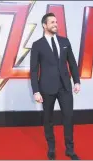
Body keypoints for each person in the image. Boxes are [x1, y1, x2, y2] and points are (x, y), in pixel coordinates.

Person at [30, 13, 81, 160]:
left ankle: (70, 150)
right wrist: (36, 91)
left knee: (69, 118)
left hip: (65, 86)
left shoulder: (65, 41)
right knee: (48, 119)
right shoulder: (37, 45)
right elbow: (34, 70)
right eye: (52, 22)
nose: (55, 24)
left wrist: (76, 81)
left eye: (56, 22)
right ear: (44, 25)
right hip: (46, 88)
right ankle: (51, 148)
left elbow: (72, 63)